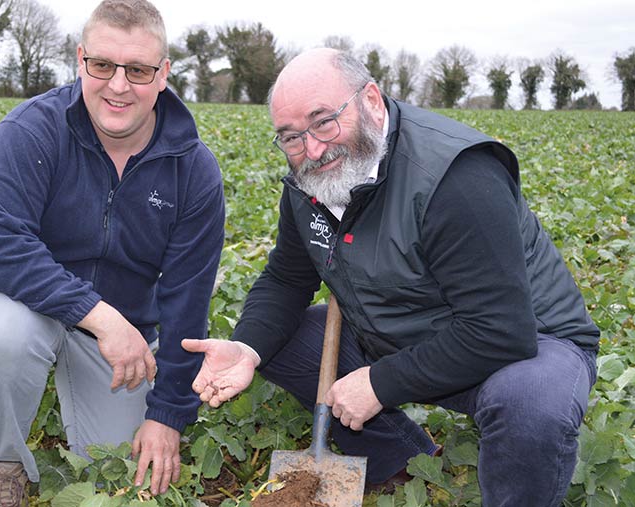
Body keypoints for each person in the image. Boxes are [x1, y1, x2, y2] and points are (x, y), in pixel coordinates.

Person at [182, 48, 598, 506]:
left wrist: (380, 383)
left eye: (324, 122)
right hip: (402, 332)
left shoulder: (458, 177)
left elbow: (500, 331)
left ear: (372, 101)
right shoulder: (308, 181)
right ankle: (401, 459)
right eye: (291, 136)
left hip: (524, 345)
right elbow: (286, 278)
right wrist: (247, 347)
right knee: (279, 341)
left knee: (531, 404)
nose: (312, 149)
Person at [0, 0, 225, 505]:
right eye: (102, 65)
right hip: (29, 303)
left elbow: (187, 300)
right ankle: (3, 466)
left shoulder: (193, 171)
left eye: (139, 70)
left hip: (122, 333)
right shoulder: (32, 131)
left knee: (119, 468)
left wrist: (167, 414)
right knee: (6, 339)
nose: (118, 85)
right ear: (81, 59)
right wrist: (99, 316)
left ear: (164, 74)